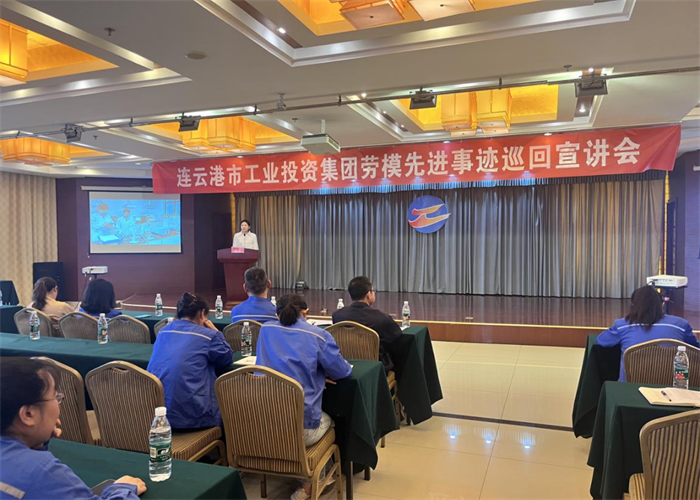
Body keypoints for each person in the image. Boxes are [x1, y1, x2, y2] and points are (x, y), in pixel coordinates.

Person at [0, 357, 146, 500]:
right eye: (56, 397)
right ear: (28, 414)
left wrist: (35, 444)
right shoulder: (41, 471)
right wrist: (122, 489)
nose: (59, 405)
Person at [257, 295, 352, 500]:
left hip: (262, 424)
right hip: (300, 429)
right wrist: (319, 373)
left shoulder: (265, 330)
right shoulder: (319, 335)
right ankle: (312, 482)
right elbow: (342, 372)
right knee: (330, 421)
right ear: (305, 312)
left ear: (276, 313)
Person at [147, 292, 233, 429]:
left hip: (157, 414)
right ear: (202, 314)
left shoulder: (163, 332)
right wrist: (216, 331)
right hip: (193, 417)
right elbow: (226, 358)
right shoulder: (209, 335)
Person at [597, 285, 699, 381]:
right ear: (662, 305)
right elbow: (695, 348)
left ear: (633, 305)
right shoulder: (680, 325)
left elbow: (601, 341)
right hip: (672, 386)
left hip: (630, 387)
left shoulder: (622, 325)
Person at [332, 276, 402, 372]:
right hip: (376, 369)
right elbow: (397, 338)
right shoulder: (382, 318)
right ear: (368, 295)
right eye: (373, 291)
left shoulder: (337, 315)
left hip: (346, 366)